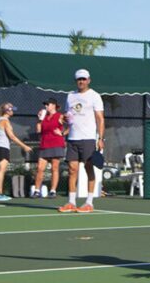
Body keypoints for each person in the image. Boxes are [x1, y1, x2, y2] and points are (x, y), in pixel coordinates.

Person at [58, 69, 105, 213]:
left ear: (89, 80)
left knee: (88, 168)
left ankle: (89, 203)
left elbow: (100, 118)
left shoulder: (95, 96)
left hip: (88, 138)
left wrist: (100, 138)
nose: (81, 81)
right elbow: (69, 116)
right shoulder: (70, 96)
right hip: (72, 138)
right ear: (76, 81)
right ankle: (71, 202)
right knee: (72, 170)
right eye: (79, 79)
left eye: (84, 79)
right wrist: (64, 122)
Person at [0, 103, 33, 201]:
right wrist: (24, 146)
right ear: (7, 110)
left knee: (2, 169)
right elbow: (12, 136)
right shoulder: (4, 121)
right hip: (1, 147)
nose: (13, 111)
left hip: (2, 147)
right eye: (11, 109)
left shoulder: (3, 120)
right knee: (2, 169)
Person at [32, 98, 67, 198]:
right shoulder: (44, 116)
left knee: (54, 168)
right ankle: (37, 191)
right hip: (44, 144)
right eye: (45, 104)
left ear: (54, 105)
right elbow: (38, 130)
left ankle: (53, 191)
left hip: (56, 143)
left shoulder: (60, 116)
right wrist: (39, 120)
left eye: (48, 104)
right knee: (40, 168)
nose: (46, 106)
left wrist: (63, 133)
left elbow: (71, 124)